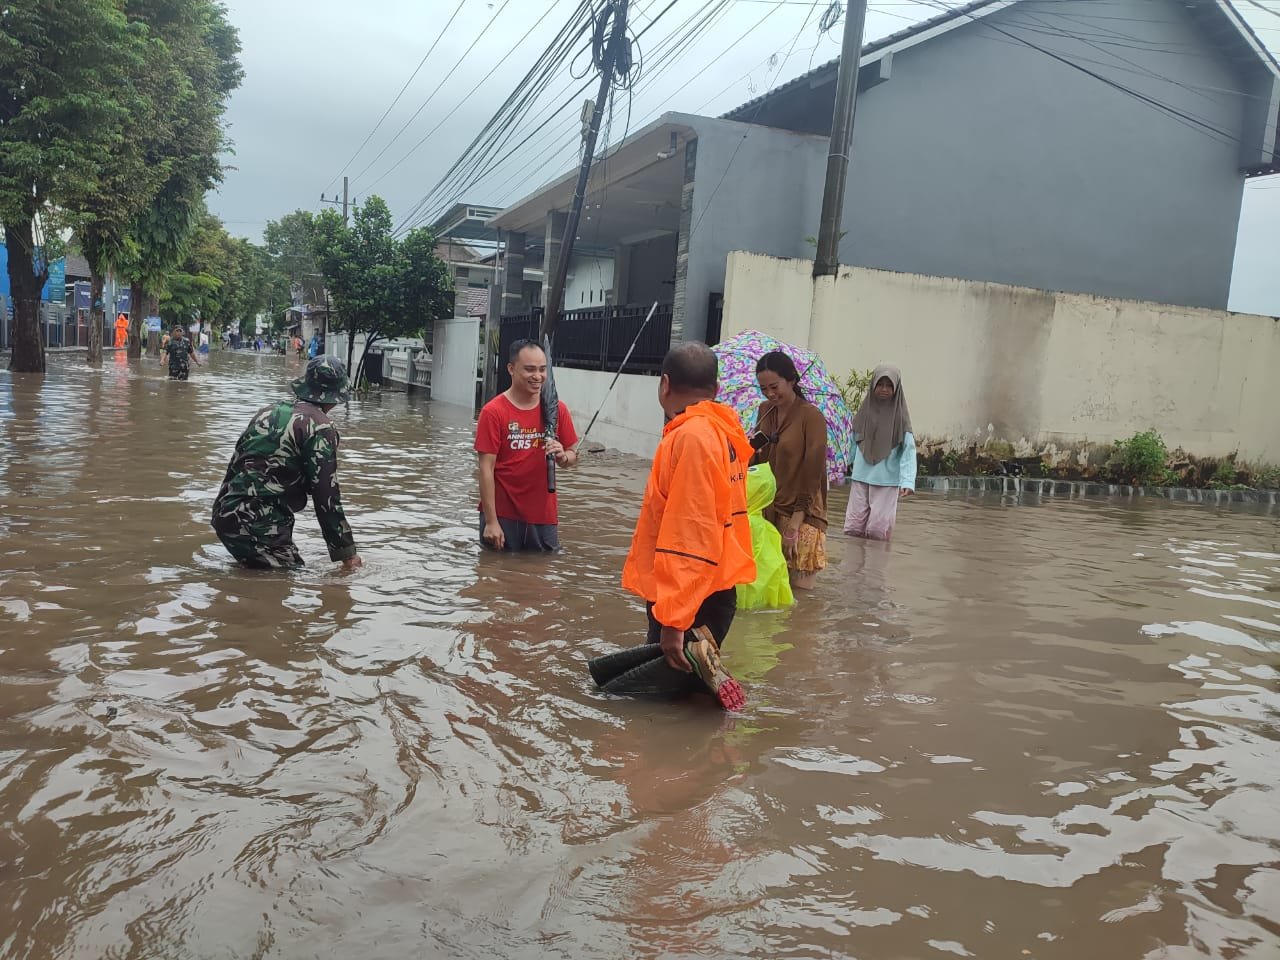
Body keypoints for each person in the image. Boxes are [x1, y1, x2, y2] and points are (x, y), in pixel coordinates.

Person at [621, 341, 755, 710]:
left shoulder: (691, 437)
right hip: (714, 584)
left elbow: (689, 533)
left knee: (662, 708)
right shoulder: (724, 432)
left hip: (692, 594)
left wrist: (674, 620)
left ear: (665, 384)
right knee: (690, 704)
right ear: (715, 389)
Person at [212, 355, 362, 571]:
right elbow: (326, 497)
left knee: (257, 582)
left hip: (225, 514)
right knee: (287, 580)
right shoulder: (321, 427)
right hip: (259, 523)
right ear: (335, 396)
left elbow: (236, 466)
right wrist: (347, 554)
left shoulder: (267, 412)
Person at [474, 339, 578, 551]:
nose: (537, 376)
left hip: (543, 515)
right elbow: (486, 469)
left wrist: (563, 456)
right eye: (529, 370)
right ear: (511, 369)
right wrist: (492, 522)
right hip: (502, 515)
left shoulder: (557, 409)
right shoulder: (493, 412)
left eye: (542, 370)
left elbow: (572, 455)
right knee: (494, 575)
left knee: (541, 577)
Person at [749, 350, 829, 590]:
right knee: (770, 590)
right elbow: (755, 461)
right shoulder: (765, 411)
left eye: (774, 387)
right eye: (763, 389)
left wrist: (794, 524)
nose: (770, 394)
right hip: (769, 510)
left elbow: (813, 475)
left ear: (791, 380)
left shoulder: (812, 417)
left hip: (802, 516)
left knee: (800, 602)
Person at [844, 364, 917, 541]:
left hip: (886, 481)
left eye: (889, 385)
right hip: (861, 477)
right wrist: (841, 468)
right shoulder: (863, 414)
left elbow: (908, 452)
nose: (884, 389)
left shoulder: (901, 419)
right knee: (853, 528)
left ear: (896, 388)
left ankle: (874, 568)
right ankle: (853, 567)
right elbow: (852, 444)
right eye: (880, 384)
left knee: (878, 530)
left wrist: (907, 481)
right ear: (873, 385)